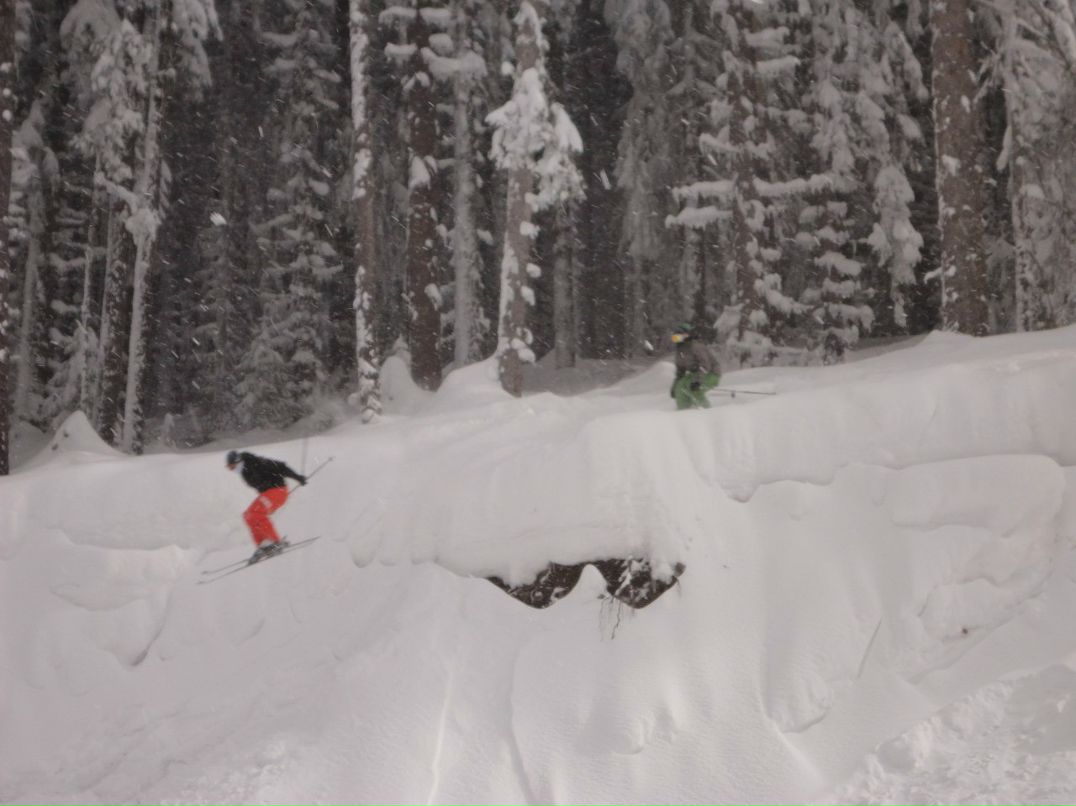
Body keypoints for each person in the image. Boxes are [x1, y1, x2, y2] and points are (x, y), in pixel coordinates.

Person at [226, 450, 307, 561]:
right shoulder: (245, 472)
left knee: (255, 512)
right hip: (269, 494)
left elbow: (281, 467)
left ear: (238, 461)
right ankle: (264, 545)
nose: (232, 470)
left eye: (232, 467)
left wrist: (297, 477)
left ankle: (275, 542)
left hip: (278, 491)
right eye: (229, 468)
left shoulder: (256, 462)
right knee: (248, 515)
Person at [670, 322, 721, 410]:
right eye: (675, 338)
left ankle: (706, 411)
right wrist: (675, 386)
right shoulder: (680, 351)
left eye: (678, 337)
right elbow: (680, 372)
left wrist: (697, 381)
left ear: (686, 336)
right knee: (680, 387)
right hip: (696, 374)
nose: (677, 340)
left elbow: (705, 366)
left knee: (692, 387)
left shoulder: (696, 346)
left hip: (711, 373)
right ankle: (683, 411)